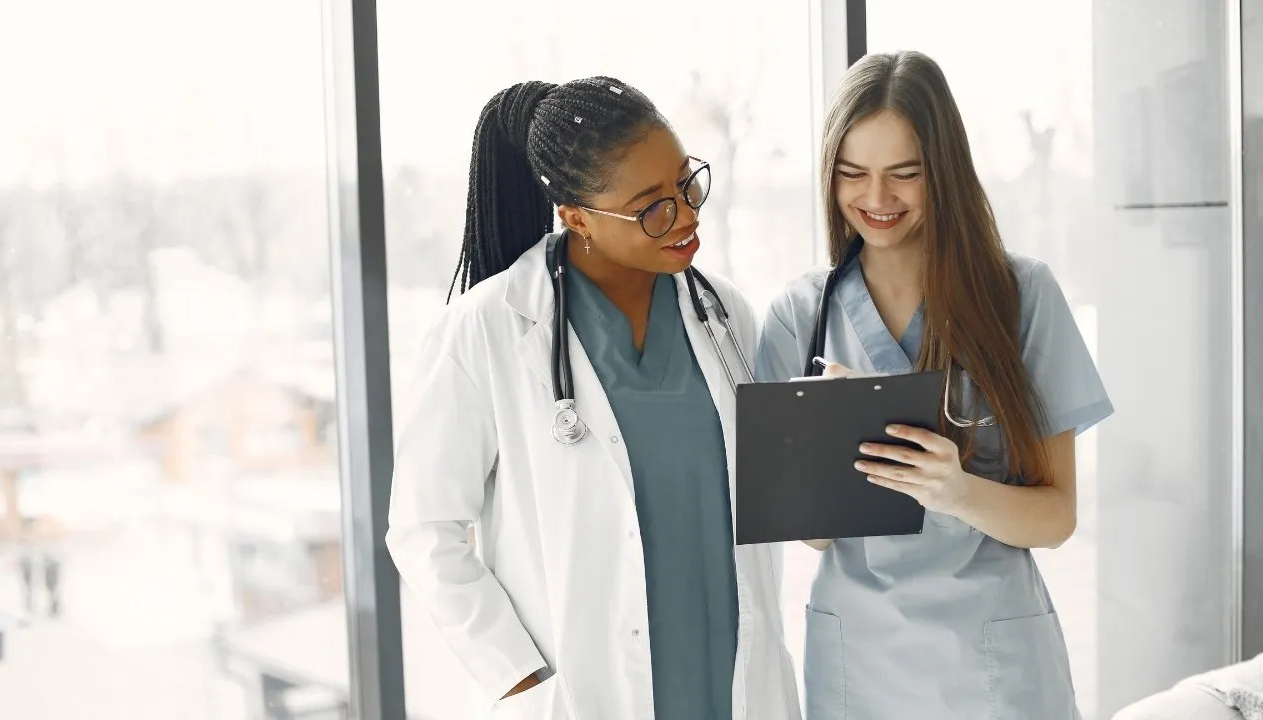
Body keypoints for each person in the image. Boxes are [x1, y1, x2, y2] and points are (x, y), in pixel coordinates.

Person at [387, 78, 800, 720]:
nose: (686, 215)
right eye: (652, 206)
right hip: (587, 694)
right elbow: (422, 528)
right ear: (576, 216)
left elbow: (770, 491)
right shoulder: (489, 329)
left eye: (687, 184)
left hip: (732, 680)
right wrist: (519, 677)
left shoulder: (724, 315)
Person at [755, 51, 1114, 718]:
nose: (876, 199)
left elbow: (1056, 516)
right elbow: (811, 537)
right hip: (858, 660)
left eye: (904, 174)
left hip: (993, 665)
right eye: (853, 173)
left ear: (943, 172)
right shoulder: (800, 315)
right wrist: (828, 453)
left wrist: (955, 490)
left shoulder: (1020, 296)